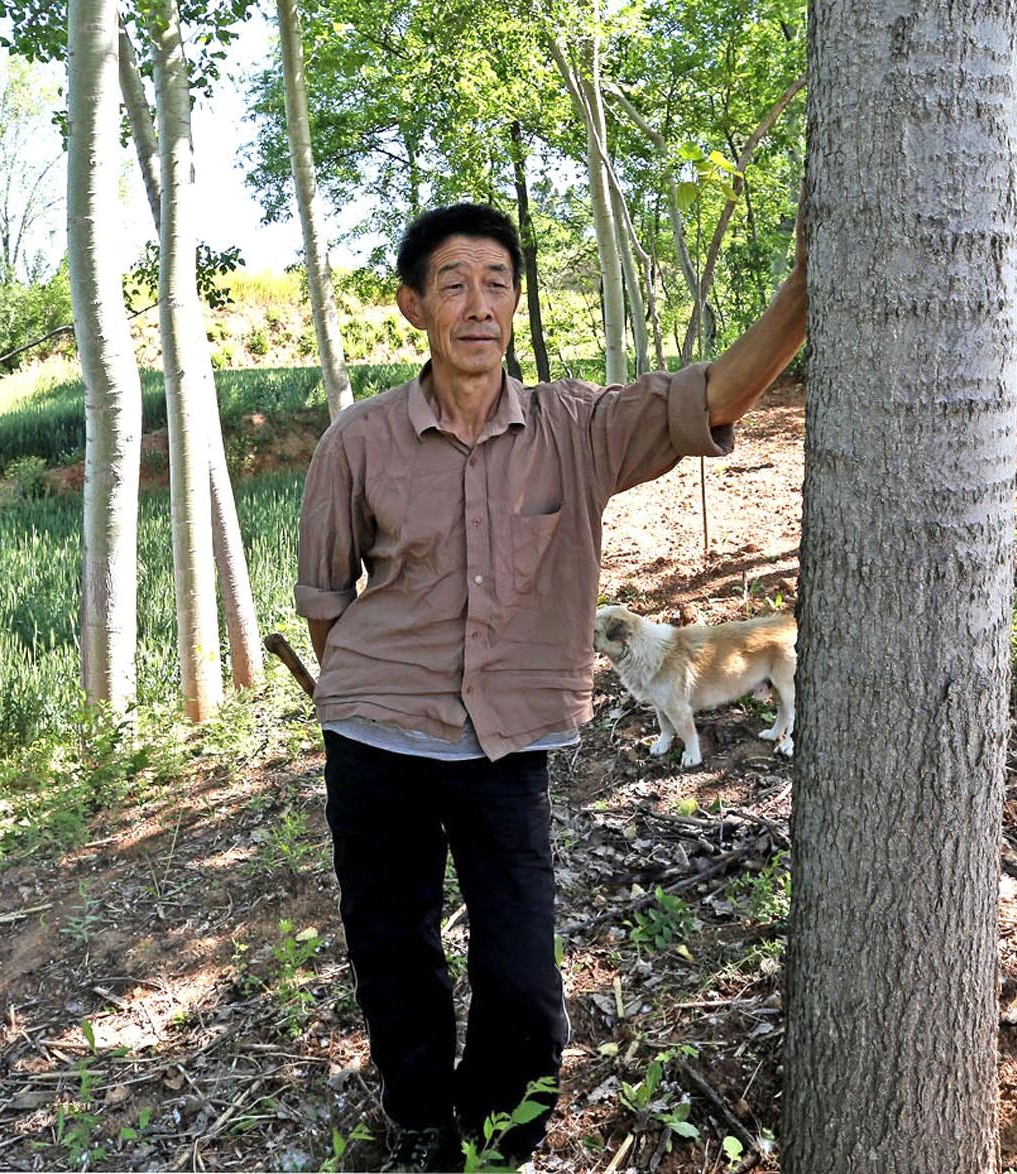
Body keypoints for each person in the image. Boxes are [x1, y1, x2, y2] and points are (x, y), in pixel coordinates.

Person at [294, 201, 805, 1171]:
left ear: (516, 303)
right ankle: (416, 1112)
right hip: (376, 745)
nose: (477, 304)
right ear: (413, 307)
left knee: (521, 975)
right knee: (394, 945)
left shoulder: (576, 426)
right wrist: (373, 694)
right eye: (453, 284)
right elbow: (327, 597)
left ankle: (499, 1135)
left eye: (495, 283)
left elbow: (708, 399)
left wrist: (803, 292)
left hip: (506, 748)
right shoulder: (357, 443)